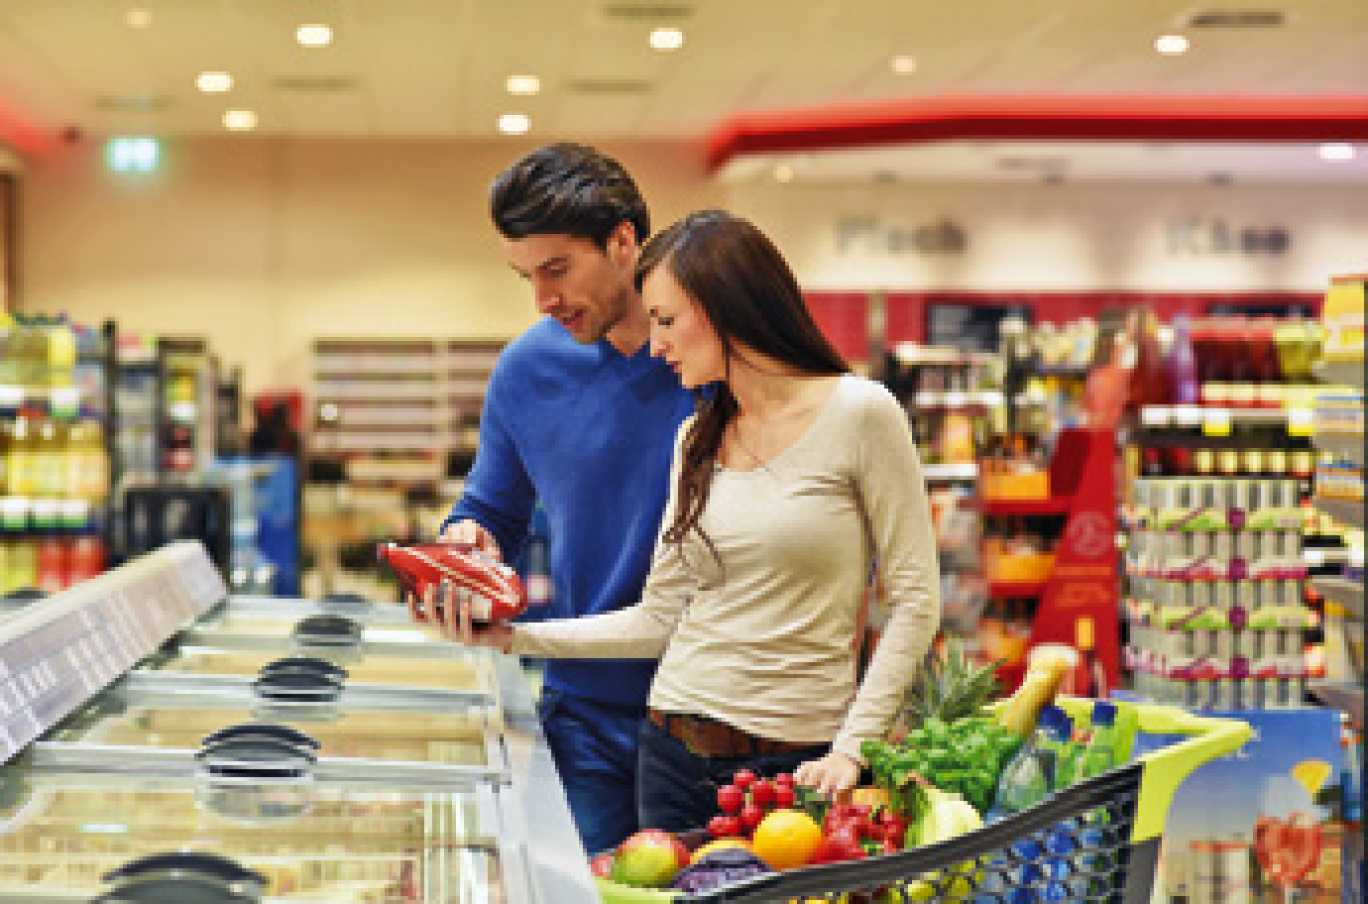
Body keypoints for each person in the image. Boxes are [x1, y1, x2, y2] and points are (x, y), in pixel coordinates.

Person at [428, 209, 940, 833]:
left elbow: (916, 600)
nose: (656, 343)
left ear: (727, 308)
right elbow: (658, 617)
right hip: (669, 751)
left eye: (667, 321)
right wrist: (514, 641)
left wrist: (854, 747)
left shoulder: (861, 414)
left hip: (795, 765)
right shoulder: (696, 437)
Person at [433, 143, 696, 854]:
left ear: (623, 243)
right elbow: (491, 510)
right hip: (585, 708)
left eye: (557, 270)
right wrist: (468, 543)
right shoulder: (526, 368)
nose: (544, 300)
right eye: (526, 276)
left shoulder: (714, 356)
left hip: (717, 711)